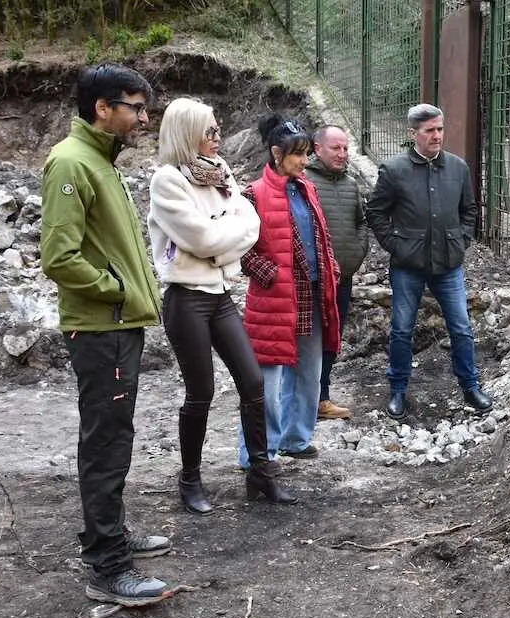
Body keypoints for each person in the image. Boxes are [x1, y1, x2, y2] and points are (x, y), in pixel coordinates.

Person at [40, 63, 172, 606]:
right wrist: (117, 290)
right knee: (107, 444)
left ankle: (110, 534)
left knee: (115, 437)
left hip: (116, 325)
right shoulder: (72, 163)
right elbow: (59, 257)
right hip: (102, 328)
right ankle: (107, 567)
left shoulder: (100, 160)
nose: (143, 118)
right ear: (102, 108)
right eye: (134, 107)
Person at [148, 97, 296, 511]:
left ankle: (262, 475)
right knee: (201, 392)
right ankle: (190, 480)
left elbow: (250, 224)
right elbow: (202, 239)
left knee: (252, 382)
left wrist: (217, 245)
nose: (218, 138)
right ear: (186, 133)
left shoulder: (220, 172)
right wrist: (219, 242)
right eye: (210, 131)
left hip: (219, 294)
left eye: (217, 130)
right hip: (186, 299)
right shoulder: (168, 181)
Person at [366, 103, 493, 420]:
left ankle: (470, 387)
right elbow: (376, 213)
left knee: (462, 328)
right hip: (407, 265)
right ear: (413, 134)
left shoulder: (457, 167)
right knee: (401, 329)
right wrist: (396, 246)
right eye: (429, 130)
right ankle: (397, 390)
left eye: (440, 129)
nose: (437, 135)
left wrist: (461, 241)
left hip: (448, 264)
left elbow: (470, 211)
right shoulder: (394, 170)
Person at [237, 114, 341, 468]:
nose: (305, 160)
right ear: (277, 153)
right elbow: (241, 249)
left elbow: (320, 238)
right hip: (273, 301)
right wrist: (270, 275)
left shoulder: (307, 188)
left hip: (311, 294)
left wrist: (331, 268)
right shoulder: (253, 193)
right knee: (265, 383)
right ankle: (256, 454)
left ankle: (296, 439)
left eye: (307, 153)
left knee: (308, 373)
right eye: (298, 154)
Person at [305, 125, 368, 420]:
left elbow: (361, 222)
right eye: (336, 148)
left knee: (333, 336)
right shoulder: (303, 181)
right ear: (318, 149)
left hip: (342, 278)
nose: (343, 154)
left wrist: (356, 255)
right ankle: (303, 398)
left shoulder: (351, 184)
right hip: (312, 280)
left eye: (345, 148)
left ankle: (322, 398)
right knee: (308, 337)